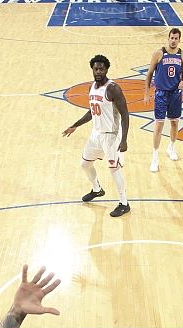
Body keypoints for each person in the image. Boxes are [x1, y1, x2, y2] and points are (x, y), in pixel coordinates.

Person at [63, 55, 131, 218]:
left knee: (114, 169)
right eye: (96, 69)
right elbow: (92, 112)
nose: (98, 71)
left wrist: (124, 139)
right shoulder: (92, 87)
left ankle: (124, 203)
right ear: (92, 69)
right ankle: (97, 189)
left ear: (106, 70)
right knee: (85, 164)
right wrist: (75, 125)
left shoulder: (113, 88)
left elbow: (125, 114)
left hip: (111, 135)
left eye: (101, 69)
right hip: (96, 133)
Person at [143, 28, 183, 173]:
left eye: (176, 38)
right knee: (159, 126)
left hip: (175, 94)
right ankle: (155, 158)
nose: (173, 41)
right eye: (171, 38)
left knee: (174, 123)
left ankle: (171, 147)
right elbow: (149, 74)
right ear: (168, 38)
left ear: (179, 40)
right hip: (161, 94)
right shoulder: (159, 53)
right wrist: (147, 93)